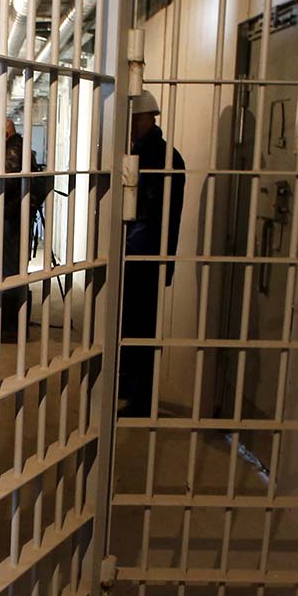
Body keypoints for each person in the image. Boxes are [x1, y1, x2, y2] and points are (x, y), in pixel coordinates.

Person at [118, 91, 185, 417]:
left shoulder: (160, 158)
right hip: (141, 255)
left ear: (141, 118)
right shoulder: (154, 155)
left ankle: (141, 399)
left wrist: (127, 253)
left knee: (141, 327)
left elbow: (150, 217)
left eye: (131, 119)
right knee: (131, 323)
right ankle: (130, 387)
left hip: (144, 258)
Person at [0, 119, 49, 339]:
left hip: (10, 219)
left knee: (8, 272)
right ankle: (15, 326)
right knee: (15, 270)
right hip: (18, 217)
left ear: (5, 134)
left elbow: (5, 184)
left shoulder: (12, 152)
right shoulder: (23, 150)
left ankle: (9, 329)